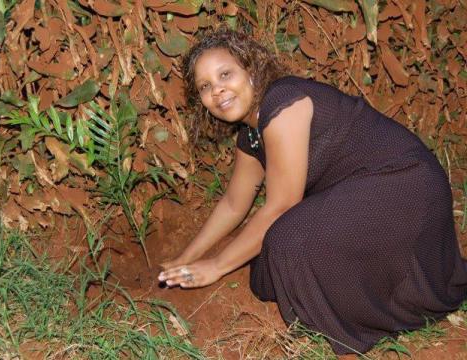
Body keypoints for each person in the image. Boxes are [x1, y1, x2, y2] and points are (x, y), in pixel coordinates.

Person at [157, 28, 467, 355]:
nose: (217, 90)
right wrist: (185, 259)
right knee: (268, 265)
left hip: (405, 186)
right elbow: (234, 204)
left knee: (287, 239)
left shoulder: (283, 100)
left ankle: (389, 305)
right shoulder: (250, 136)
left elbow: (281, 207)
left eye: (225, 74)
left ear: (251, 70)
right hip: (366, 194)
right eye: (205, 86)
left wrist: (217, 265)